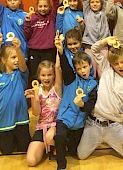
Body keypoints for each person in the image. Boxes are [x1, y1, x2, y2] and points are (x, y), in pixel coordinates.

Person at [77, 36, 123, 160]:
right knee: (81, 155)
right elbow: (94, 49)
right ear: (111, 64)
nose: (120, 66)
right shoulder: (106, 69)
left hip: (113, 126)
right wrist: (106, 41)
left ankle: (108, 139)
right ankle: (97, 139)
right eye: (116, 63)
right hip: (94, 123)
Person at [54, 36, 98, 170]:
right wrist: (61, 52)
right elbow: (65, 67)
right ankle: (61, 163)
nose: (82, 71)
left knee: (74, 152)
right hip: (65, 118)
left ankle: (66, 145)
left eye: (84, 67)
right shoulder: (71, 78)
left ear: (90, 65)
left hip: (79, 123)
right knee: (59, 136)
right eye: (79, 68)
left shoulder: (93, 84)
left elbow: (91, 104)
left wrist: (83, 105)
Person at [0, 37, 31, 154]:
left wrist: (18, 49)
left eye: (18, 57)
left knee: (24, 149)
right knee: (6, 151)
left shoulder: (21, 74)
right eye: (13, 57)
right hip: (4, 121)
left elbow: (23, 64)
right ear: (3, 60)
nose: (17, 60)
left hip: (21, 120)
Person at [25, 60, 62, 167]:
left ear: (54, 75)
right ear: (39, 76)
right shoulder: (37, 90)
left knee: (50, 137)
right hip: (42, 127)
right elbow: (36, 113)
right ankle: (47, 147)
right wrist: (35, 98)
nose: (46, 78)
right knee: (31, 161)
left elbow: (58, 67)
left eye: (50, 74)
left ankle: (56, 147)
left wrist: (58, 46)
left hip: (56, 126)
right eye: (43, 75)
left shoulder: (57, 88)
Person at [24, 0, 60, 80]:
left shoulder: (51, 17)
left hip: (48, 51)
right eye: (40, 6)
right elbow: (27, 35)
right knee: (35, 76)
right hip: (34, 51)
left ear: (49, 7)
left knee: (49, 75)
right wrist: (27, 22)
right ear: (36, 7)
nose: (43, 9)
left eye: (45, 6)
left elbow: (56, 5)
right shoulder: (32, 18)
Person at [82, 0, 111, 79]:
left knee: (103, 74)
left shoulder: (105, 12)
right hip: (89, 46)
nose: (94, 4)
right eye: (92, 2)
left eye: (97, 2)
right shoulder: (87, 11)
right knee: (90, 73)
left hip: (103, 47)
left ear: (101, 3)